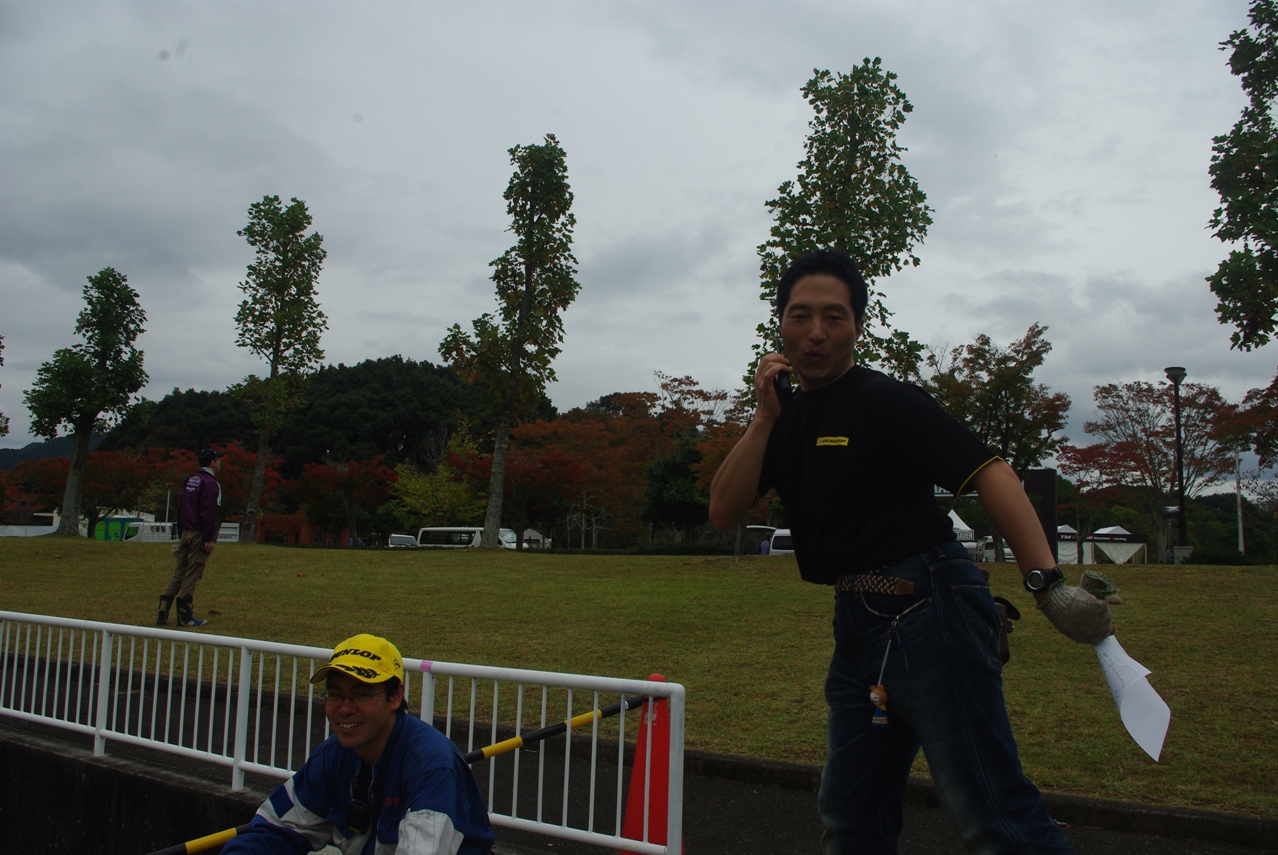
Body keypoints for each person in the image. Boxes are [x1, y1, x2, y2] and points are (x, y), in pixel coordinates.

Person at [709, 249, 1116, 854]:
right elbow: (723, 510)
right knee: (852, 816)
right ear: (780, 325)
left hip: (931, 608)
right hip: (858, 624)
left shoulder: (884, 399)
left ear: (856, 326)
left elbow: (992, 473)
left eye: (834, 317)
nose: (816, 332)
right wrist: (765, 418)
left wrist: (1046, 584)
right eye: (800, 316)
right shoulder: (785, 417)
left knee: (992, 813)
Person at [222, 633, 494, 855]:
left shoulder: (431, 766)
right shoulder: (333, 755)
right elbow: (276, 830)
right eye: (335, 695)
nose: (345, 708)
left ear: (395, 696)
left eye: (361, 695)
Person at [156, 448, 224, 627]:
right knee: (193, 572)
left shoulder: (191, 480)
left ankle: (162, 612)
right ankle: (185, 616)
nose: (220, 462)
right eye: (218, 460)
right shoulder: (210, 483)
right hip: (198, 533)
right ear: (212, 463)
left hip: (185, 531)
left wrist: (181, 532)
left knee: (179, 572)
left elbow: (181, 506)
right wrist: (209, 538)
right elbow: (209, 512)